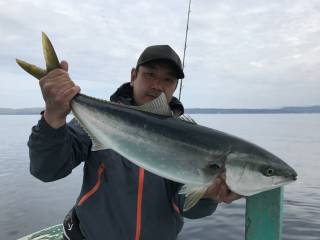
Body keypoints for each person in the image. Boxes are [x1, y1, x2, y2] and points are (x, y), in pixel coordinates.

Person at [28, 45, 241, 240]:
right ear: (133, 75)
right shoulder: (99, 121)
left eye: (168, 80)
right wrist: (53, 117)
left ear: (175, 86)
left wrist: (208, 195)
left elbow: (188, 209)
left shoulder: (190, 140)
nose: (158, 85)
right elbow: (47, 170)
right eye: (150, 74)